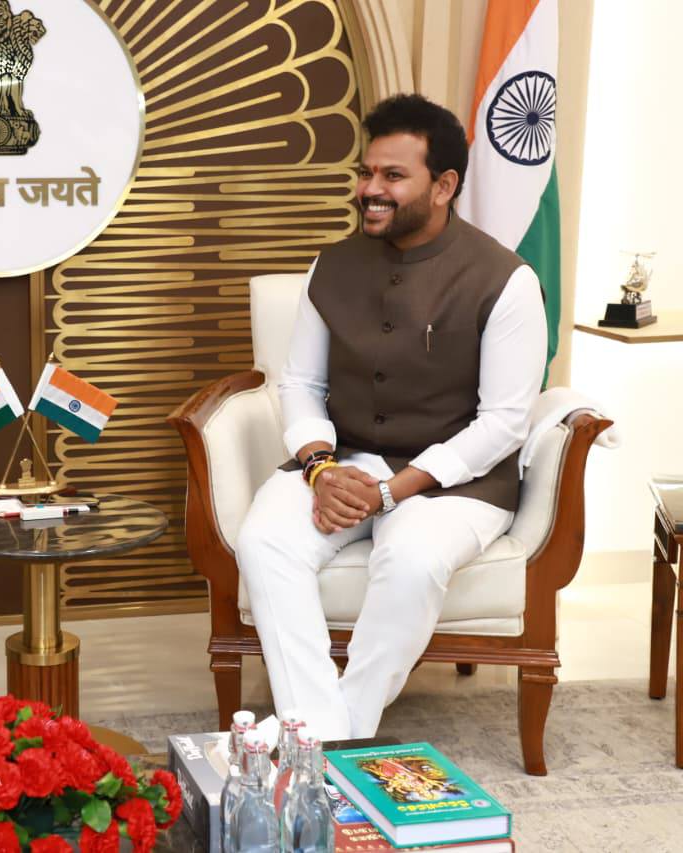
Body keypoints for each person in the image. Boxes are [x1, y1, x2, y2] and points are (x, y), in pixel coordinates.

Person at [235, 94, 547, 740]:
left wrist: (391, 492)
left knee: (410, 558)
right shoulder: (332, 265)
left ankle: (325, 734)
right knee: (264, 538)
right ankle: (323, 732)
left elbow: (503, 424)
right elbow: (301, 384)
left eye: (393, 176)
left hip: (458, 483)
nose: (370, 189)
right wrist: (321, 470)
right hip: (343, 463)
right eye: (366, 172)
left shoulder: (505, 280)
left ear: (444, 186)